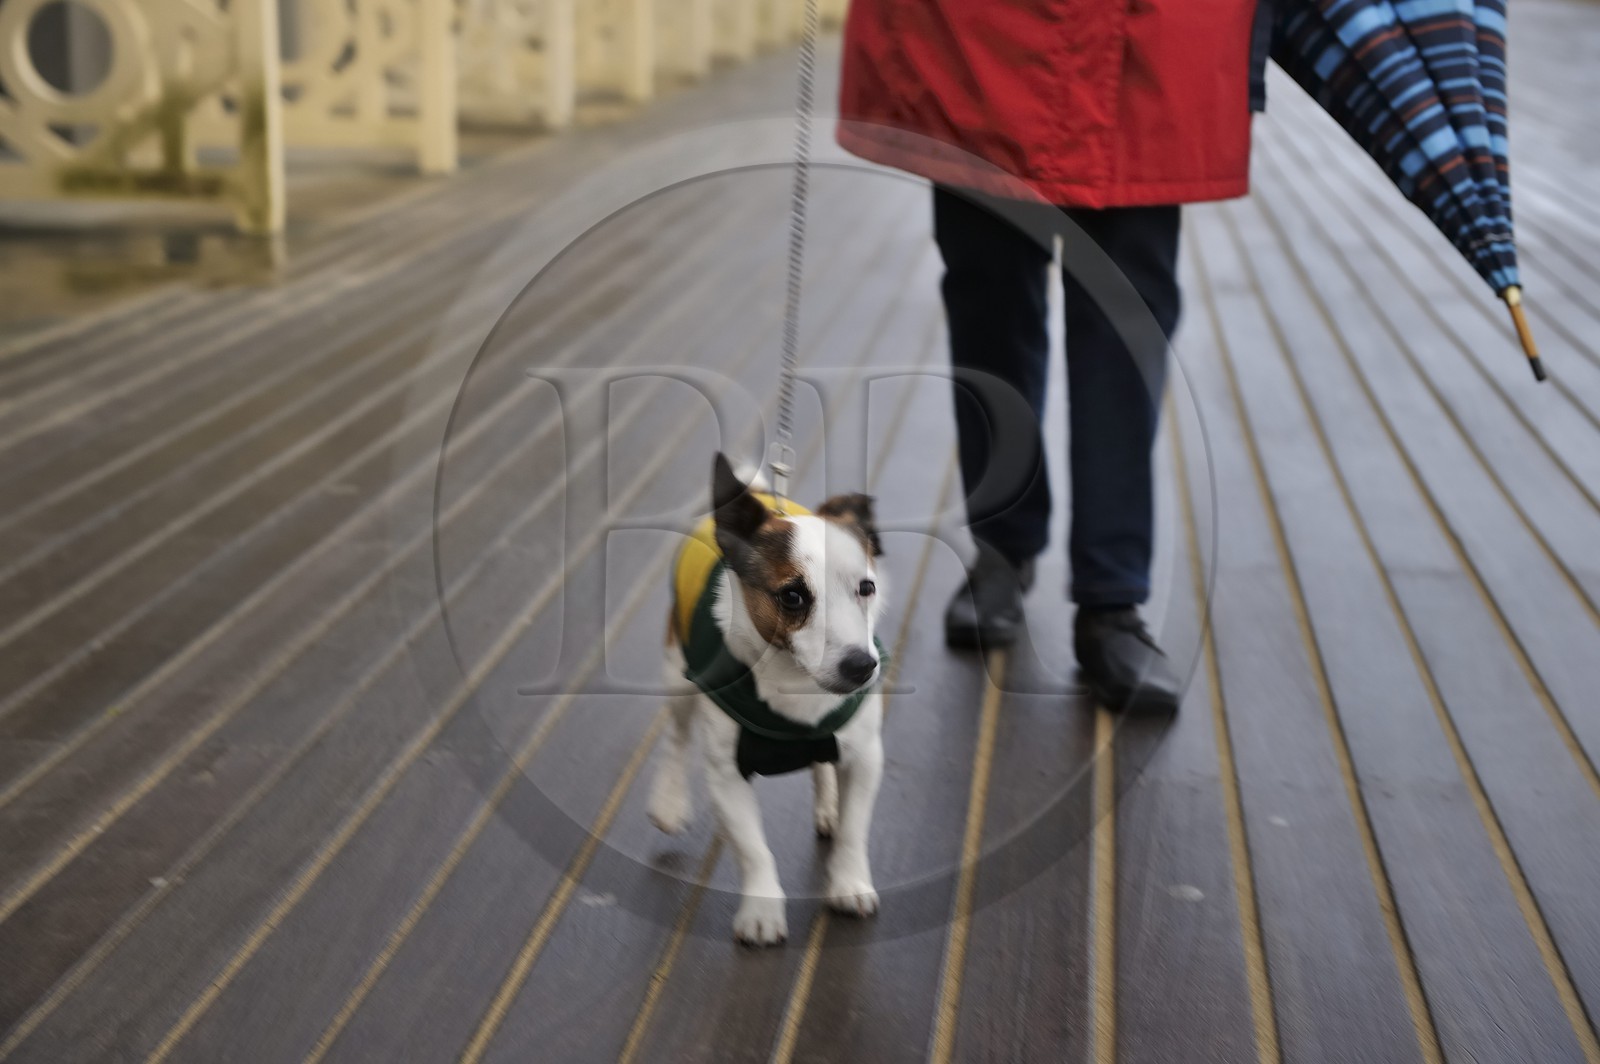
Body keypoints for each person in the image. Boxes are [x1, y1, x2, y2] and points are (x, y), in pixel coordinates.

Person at [836, 0, 1274, 714]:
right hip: (975, 30)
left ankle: (1112, 598)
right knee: (988, 296)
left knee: (1125, 314)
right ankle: (1003, 549)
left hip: (1151, 34)